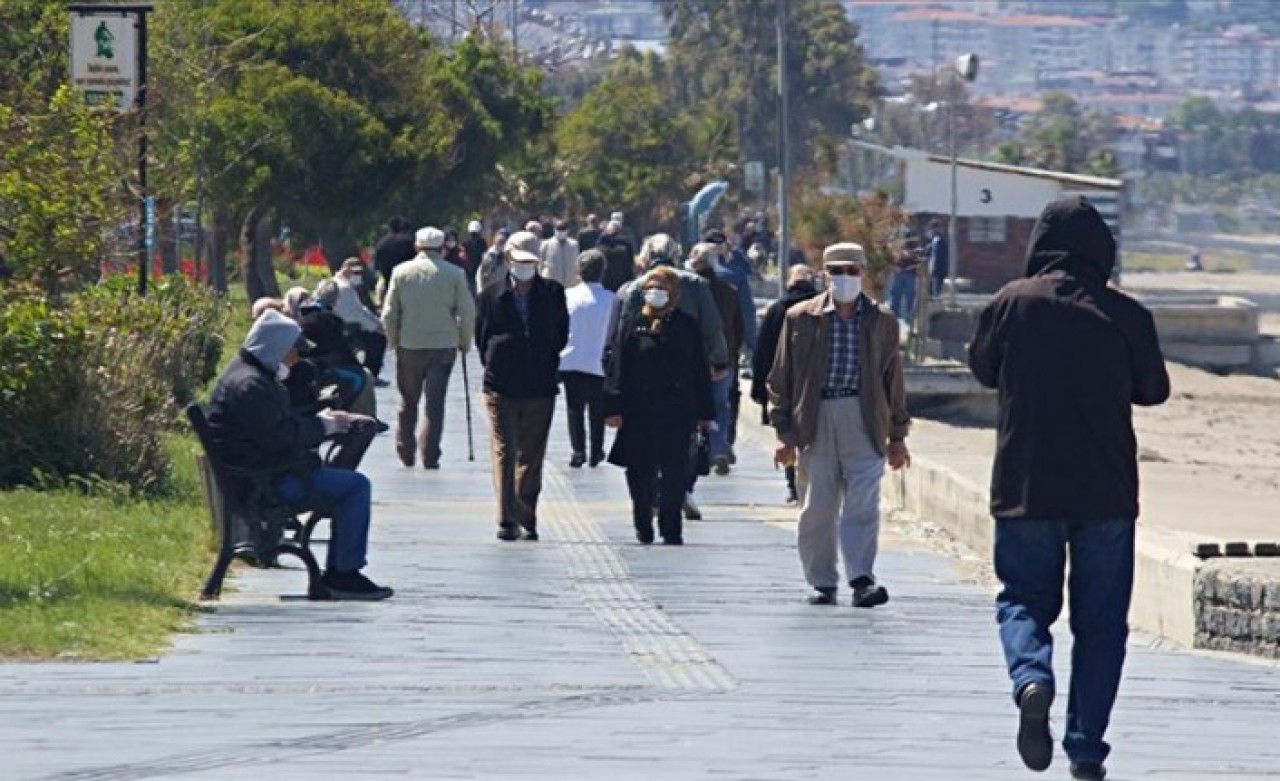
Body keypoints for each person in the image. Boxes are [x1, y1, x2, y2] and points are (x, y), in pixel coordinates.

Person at [968, 196, 1170, 780]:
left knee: (1023, 599)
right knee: (1102, 624)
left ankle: (1031, 679)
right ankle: (1085, 749)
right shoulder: (1125, 314)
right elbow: (1153, 390)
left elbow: (983, 369)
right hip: (1105, 493)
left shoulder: (1011, 303)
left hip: (1024, 485)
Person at [205, 309, 393, 600]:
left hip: (262, 474)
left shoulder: (248, 376)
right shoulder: (250, 386)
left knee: (347, 481)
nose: (295, 359)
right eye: (293, 352)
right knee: (355, 486)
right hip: (266, 484)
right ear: (277, 349)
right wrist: (325, 426)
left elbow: (276, 426)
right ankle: (343, 573)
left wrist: (325, 419)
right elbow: (280, 437)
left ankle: (343, 568)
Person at [768, 242, 911, 609]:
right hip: (816, 418)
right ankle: (822, 581)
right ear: (825, 275)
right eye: (837, 271)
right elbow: (781, 377)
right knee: (819, 504)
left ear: (862, 273)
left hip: (864, 417)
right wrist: (784, 433)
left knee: (863, 500)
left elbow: (892, 380)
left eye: (852, 271)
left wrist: (898, 436)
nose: (845, 278)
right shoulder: (801, 317)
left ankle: (862, 578)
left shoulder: (881, 321)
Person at [614, 234, 729, 522]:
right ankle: (678, 490)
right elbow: (712, 327)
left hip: (644, 381)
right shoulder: (696, 284)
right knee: (682, 444)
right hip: (687, 377)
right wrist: (719, 361)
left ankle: (657, 494)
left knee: (647, 450)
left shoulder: (636, 287)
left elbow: (622, 335)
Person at [604, 266, 714, 546]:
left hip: (677, 411)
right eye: (650, 288)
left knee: (675, 470)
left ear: (674, 293)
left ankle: (671, 526)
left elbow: (699, 369)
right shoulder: (632, 324)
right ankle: (642, 521)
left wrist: (705, 413)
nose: (655, 293)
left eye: (662, 288)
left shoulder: (686, 325)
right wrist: (613, 406)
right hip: (639, 410)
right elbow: (618, 366)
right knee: (639, 470)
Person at [475, 242, 569, 541]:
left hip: (539, 382)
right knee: (505, 449)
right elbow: (481, 335)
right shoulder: (491, 295)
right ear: (509, 261)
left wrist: (546, 356)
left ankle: (526, 512)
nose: (525, 267)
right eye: (520, 261)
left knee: (531, 451)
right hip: (501, 382)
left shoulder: (552, 293)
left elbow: (561, 333)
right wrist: (494, 359)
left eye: (531, 262)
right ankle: (506, 518)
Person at [381, 227, 475, 469]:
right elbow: (467, 311)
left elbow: (389, 313)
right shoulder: (454, 273)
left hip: (409, 345)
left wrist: (394, 342)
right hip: (443, 346)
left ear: (416, 247)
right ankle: (430, 454)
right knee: (435, 403)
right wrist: (464, 341)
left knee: (408, 401)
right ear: (442, 248)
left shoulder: (400, 272)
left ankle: (406, 450)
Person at [752, 263, 821, 504]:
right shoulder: (822, 309)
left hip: (783, 385)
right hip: (814, 385)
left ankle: (794, 485)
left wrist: (759, 389)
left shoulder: (777, 309)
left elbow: (762, 353)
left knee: (788, 435)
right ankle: (813, 484)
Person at [687, 243, 744, 476]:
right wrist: (732, 354)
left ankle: (692, 451)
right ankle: (719, 448)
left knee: (691, 407)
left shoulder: (687, 291)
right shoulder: (728, 291)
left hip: (692, 361)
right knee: (720, 406)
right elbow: (738, 327)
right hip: (723, 361)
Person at [560, 250, 614, 469]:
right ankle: (596, 450)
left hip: (571, 359)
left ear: (578, 272)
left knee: (574, 409)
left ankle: (578, 451)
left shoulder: (566, 296)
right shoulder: (611, 299)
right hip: (599, 362)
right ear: (603, 272)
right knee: (597, 410)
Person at [299, 283, 380, 421]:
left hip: (306, 364)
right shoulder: (329, 319)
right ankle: (347, 413)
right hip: (322, 366)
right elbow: (342, 350)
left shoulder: (303, 314)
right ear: (336, 300)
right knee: (360, 377)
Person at [335, 257, 389, 386]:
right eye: (355, 272)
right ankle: (370, 374)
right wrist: (376, 327)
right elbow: (353, 314)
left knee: (378, 335)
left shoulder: (354, 287)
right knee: (378, 339)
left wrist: (378, 323)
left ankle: (369, 373)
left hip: (354, 326)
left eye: (360, 273)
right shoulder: (343, 287)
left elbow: (363, 309)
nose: (358, 276)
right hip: (345, 328)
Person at [373, 216, 416, 293]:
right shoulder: (410, 241)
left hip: (389, 285)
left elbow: (377, 266)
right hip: (410, 283)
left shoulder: (382, 243)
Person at [888, 229, 923, 325]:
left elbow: (920, 262)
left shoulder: (916, 249)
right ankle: (893, 316)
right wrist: (894, 267)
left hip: (910, 274)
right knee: (896, 295)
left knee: (909, 297)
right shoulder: (897, 248)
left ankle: (909, 318)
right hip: (899, 274)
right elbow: (891, 260)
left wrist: (912, 265)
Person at [597, 220, 636, 292]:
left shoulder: (602, 241)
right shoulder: (626, 243)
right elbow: (631, 263)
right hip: (622, 281)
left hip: (606, 280)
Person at [541, 219, 580, 287]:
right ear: (554, 230)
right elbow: (541, 263)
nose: (561, 231)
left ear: (567, 230)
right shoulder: (546, 244)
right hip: (552, 285)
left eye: (563, 229)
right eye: (558, 229)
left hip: (571, 285)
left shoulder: (574, 244)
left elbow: (577, 262)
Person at [476, 227, 510, 291]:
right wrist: (480, 291)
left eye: (503, 241)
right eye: (500, 241)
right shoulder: (488, 255)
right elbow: (480, 275)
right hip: (489, 291)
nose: (501, 242)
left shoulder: (510, 255)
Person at [462, 220, 488, 292]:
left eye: (475, 233)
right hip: (469, 271)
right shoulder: (466, 243)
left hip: (479, 270)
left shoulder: (482, 242)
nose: (474, 235)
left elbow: (484, 255)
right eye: (473, 233)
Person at [927, 218, 949, 297]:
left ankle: (936, 300)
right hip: (934, 269)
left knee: (936, 288)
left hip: (938, 269)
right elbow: (929, 252)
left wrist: (934, 268)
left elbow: (938, 255)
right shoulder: (933, 240)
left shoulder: (939, 240)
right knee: (933, 288)